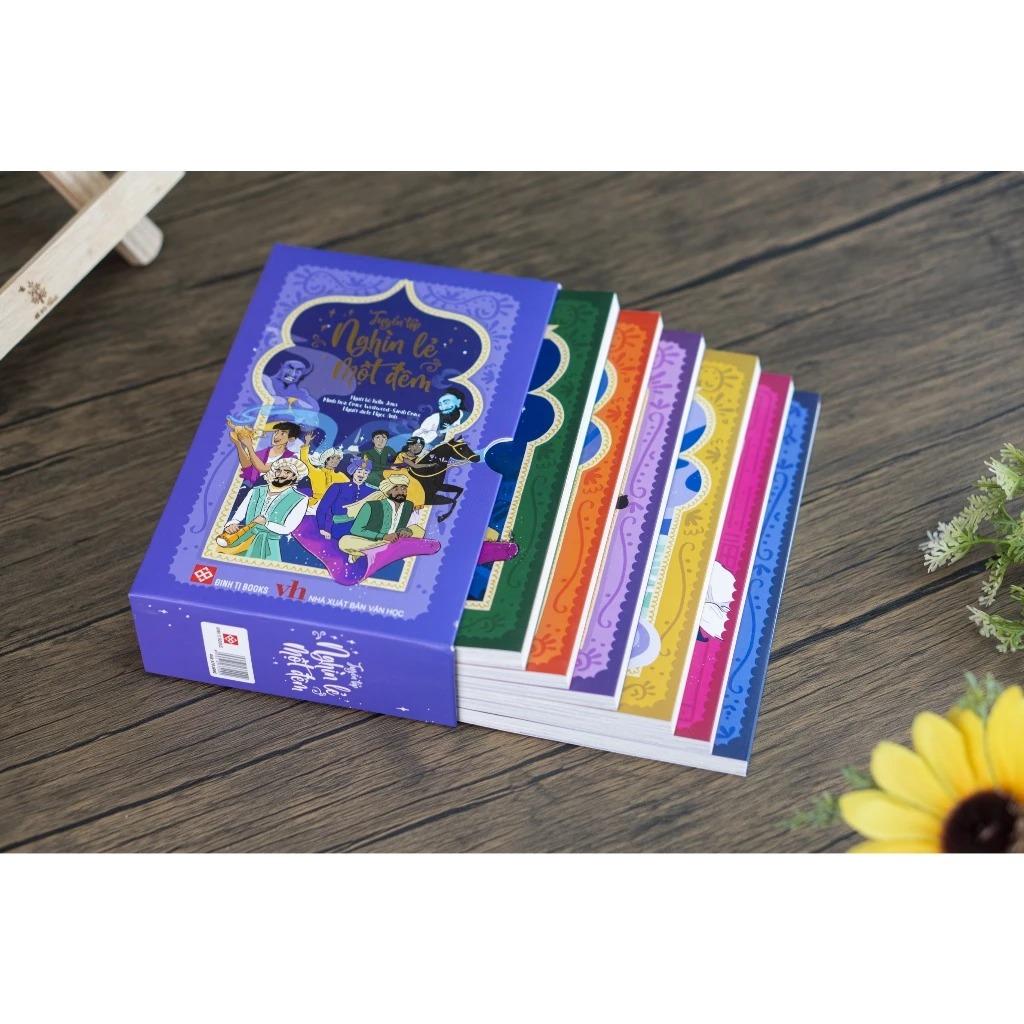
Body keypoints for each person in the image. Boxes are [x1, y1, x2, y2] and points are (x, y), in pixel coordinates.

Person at [225, 458, 309, 562]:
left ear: (294, 476)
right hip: (242, 539)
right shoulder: (256, 490)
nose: (281, 474)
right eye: (278, 470)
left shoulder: (300, 499)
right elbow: (238, 515)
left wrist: (266, 523)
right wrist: (232, 524)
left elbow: (288, 528)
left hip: (269, 546)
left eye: (287, 472)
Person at [228, 420, 303, 516]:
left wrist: (249, 446)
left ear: (291, 439)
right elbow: (247, 467)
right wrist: (238, 444)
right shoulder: (262, 453)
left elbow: (262, 468)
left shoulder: (290, 458)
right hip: (249, 492)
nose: (276, 436)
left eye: (283, 433)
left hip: (269, 499)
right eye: (276, 432)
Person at [339, 474, 419, 562]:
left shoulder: (408, 505)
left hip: (396, 541)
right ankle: (382, 551)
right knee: (344, 542)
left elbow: (406, 524)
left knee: (418, 530)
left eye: (403, 488)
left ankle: (375, 551)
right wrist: (383, 536)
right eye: (396, 489)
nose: (401, 492)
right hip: (372, 542)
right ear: (388, 491)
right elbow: (356, 530)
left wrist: (406, 530)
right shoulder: (371, 506)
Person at [316, 457, 376, 541]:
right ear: (353, 471)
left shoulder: (373, 491)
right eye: (359, 471)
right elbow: (323, 508)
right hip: (340, 528)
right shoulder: (337, 487)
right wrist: (322, 528)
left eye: (365, 473)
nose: (361, 475)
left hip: (363, 531)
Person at [298, 431, 348, 507]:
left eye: (338, 459)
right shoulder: (316, 472)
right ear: (326, 459)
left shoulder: (342, 477)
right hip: (314, 504)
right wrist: (307, 443)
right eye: (333, 458)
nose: (336, 461)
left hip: (332, 506)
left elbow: (350, 489)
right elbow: (305, 462)